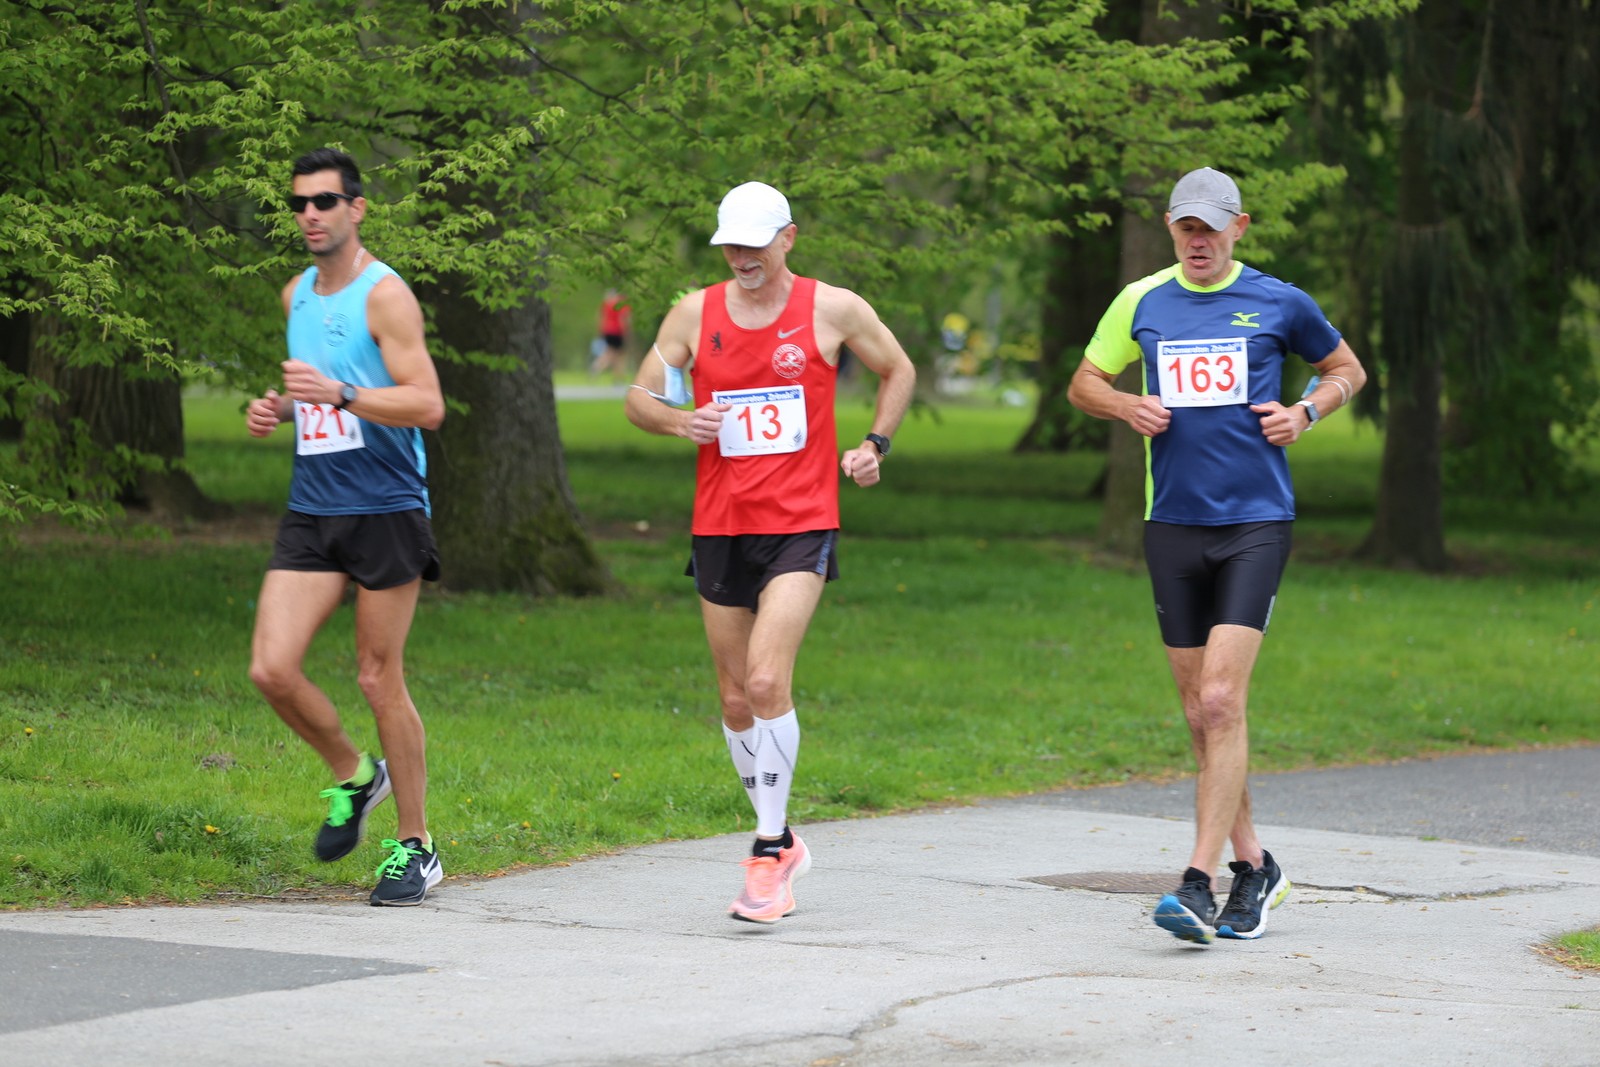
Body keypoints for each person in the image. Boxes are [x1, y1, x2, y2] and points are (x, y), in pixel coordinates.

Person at [1067, 167, 1367, 945]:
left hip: (1256, 522)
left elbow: (1347, 370)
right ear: (1171, 228)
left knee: (1223, 699)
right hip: (1171, 523)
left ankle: (1198, 882)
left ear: (1240, 227)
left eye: (1211, 227)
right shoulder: (1141, 299)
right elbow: (1083, 381)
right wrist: (1123, 402)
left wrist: (1305, 411)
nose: (1197, 241)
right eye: (1185, 228)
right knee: (1200, 712)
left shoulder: (1280, 300)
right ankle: (1256, 863)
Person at [624, 181, 916, 924]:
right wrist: (679, 421)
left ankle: (765, 850)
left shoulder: (832, 308)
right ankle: (782, 840)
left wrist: (874, 444)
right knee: (731, 696)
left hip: (801, 520)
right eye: (731, 243)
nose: (742, 256)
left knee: (763, 678)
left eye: (755, 242)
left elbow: (899, 368)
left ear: (788, 238)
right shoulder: (696, 312)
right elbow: (639, 398)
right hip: (719, 521)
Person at [245, 147, 448, 907]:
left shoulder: (385, 296)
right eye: (300, 202)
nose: (310, 214)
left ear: (356, 208)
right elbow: (315, 394)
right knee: (271, 667)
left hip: (387, 506)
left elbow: (425, 403)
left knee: (376, 676)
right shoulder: (295, 293)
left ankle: (416, 845)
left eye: (325, 201)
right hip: (313, 504)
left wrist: (338, 391)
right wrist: (280, 407)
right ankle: (355, 774)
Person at [592, 288, 631, 379]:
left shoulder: (607, 304)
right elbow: (624, 319)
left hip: (607, 330)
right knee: (617, 355)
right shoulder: (622, 305)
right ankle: (598, 367)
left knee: (612, 353)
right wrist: (626, 333)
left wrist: (600, 330)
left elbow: (600, 317)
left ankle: (616, 375)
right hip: (617, 332)